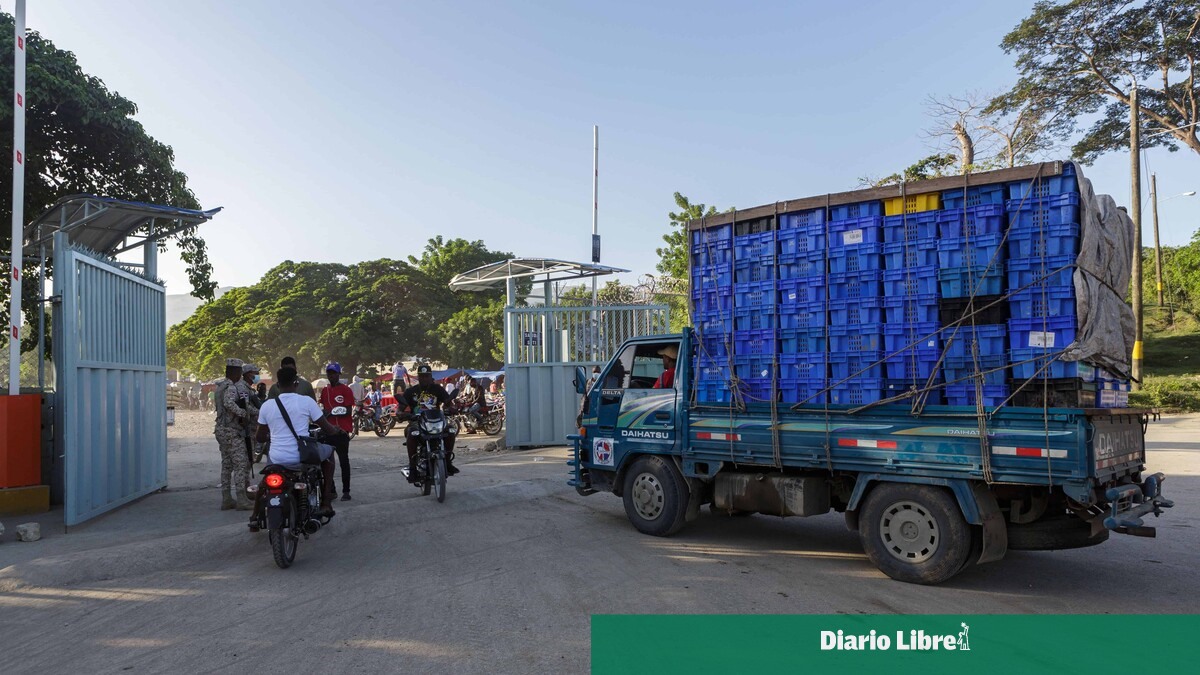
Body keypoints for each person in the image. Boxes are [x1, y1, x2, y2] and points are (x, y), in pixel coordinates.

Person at [251, 367, 345, 529]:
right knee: (329, 452)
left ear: (277, 385)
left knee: (266, 480)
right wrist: (336, 430)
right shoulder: (306, 402)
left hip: (277, 458)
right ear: (296, 383)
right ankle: (326, 502)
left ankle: (254, 516)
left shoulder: (267, 405)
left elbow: (259, 437)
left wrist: (272, 436)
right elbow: (327, 429)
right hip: (302, 456)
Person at [401, 364, 458, 481]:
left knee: (450, 431)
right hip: (417, 422)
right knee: (412, 432)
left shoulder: (438, 389)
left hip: (436, 422)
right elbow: (400, 408)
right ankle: (412, 467)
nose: (424, 379)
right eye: (422, 376)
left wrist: (452, 408)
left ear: (431, 376)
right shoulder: (411, 391)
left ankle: (447, 462)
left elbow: (448, 403)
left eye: (427, 376)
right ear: (418, 377)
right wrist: (401, 414)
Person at [214, 358, 254, 511]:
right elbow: (229, 403)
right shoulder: (231, 387)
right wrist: (243, 414)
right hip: (231, 430)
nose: (240, 375)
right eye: (239, 372)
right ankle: (242, 499)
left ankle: (226, 498)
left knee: (227, 464)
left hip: (221, 429)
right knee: (240, 464)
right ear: (235, 372)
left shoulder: (220, 387)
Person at [318, 361, 356, 501]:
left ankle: (346, 491)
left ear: (339, 374)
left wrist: (332, 412)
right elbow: (323, 408)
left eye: (334, 373)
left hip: (341, 431)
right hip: (328, 431)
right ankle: (331, 489)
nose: (331, 376)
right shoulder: (325, 390)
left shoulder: (346, 390)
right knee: (326, 462)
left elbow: (348, 410)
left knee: (343, 461)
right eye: (329, 373)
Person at [237, 364, 264, 473]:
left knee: (250, 458)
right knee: (246, 459)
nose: (257, 376)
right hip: (245, 428)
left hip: (252, 427)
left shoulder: (249, 389)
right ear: (248, 374)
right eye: (256, 373)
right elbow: (245, 406)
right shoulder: (242, 388)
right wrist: (260, 412)